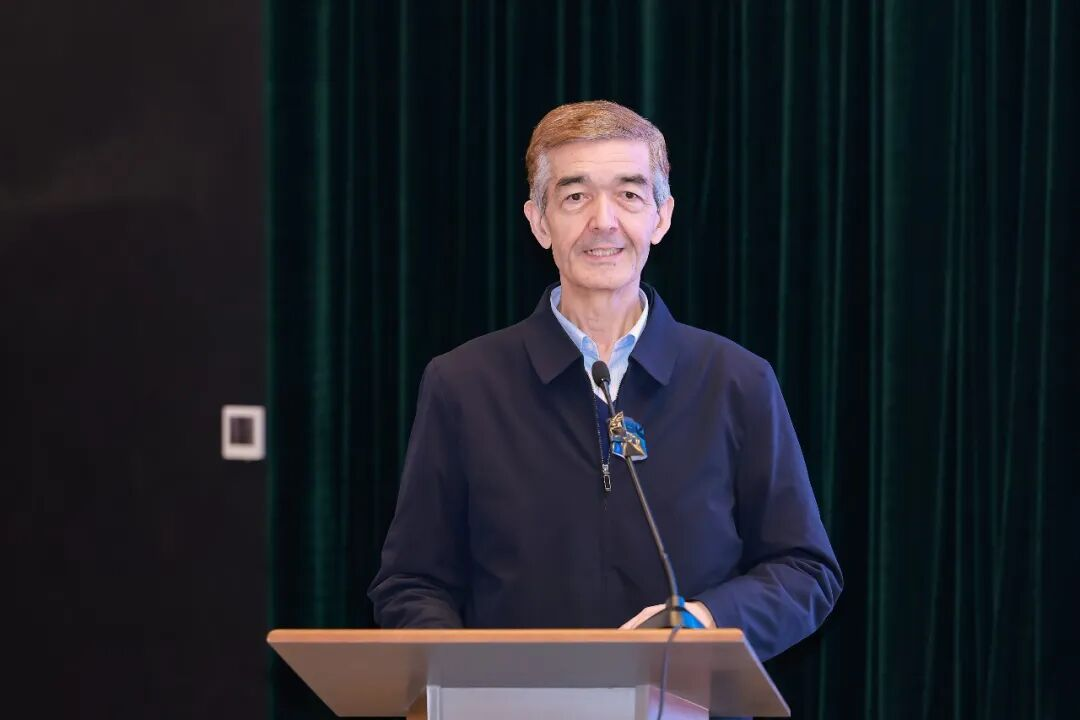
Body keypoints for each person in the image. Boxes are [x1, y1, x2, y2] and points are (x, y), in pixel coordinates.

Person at [369, 100, 841, 662]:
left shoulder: (736, 380)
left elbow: (804, 570)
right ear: (539, 222)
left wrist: (704, 622)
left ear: (661, 218)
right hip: (517, 699)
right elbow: (412, 583)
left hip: (684, 698)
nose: (603, 221)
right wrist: (466, 674)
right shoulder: (464, 384)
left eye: (629, 195)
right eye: (575, 197)